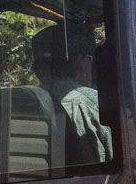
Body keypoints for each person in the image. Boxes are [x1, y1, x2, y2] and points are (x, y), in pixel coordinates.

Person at [32, 24, 113, 165]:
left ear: (36, 70)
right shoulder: (94, 103)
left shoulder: (23, 102)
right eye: (89, 58)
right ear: (81, 62)